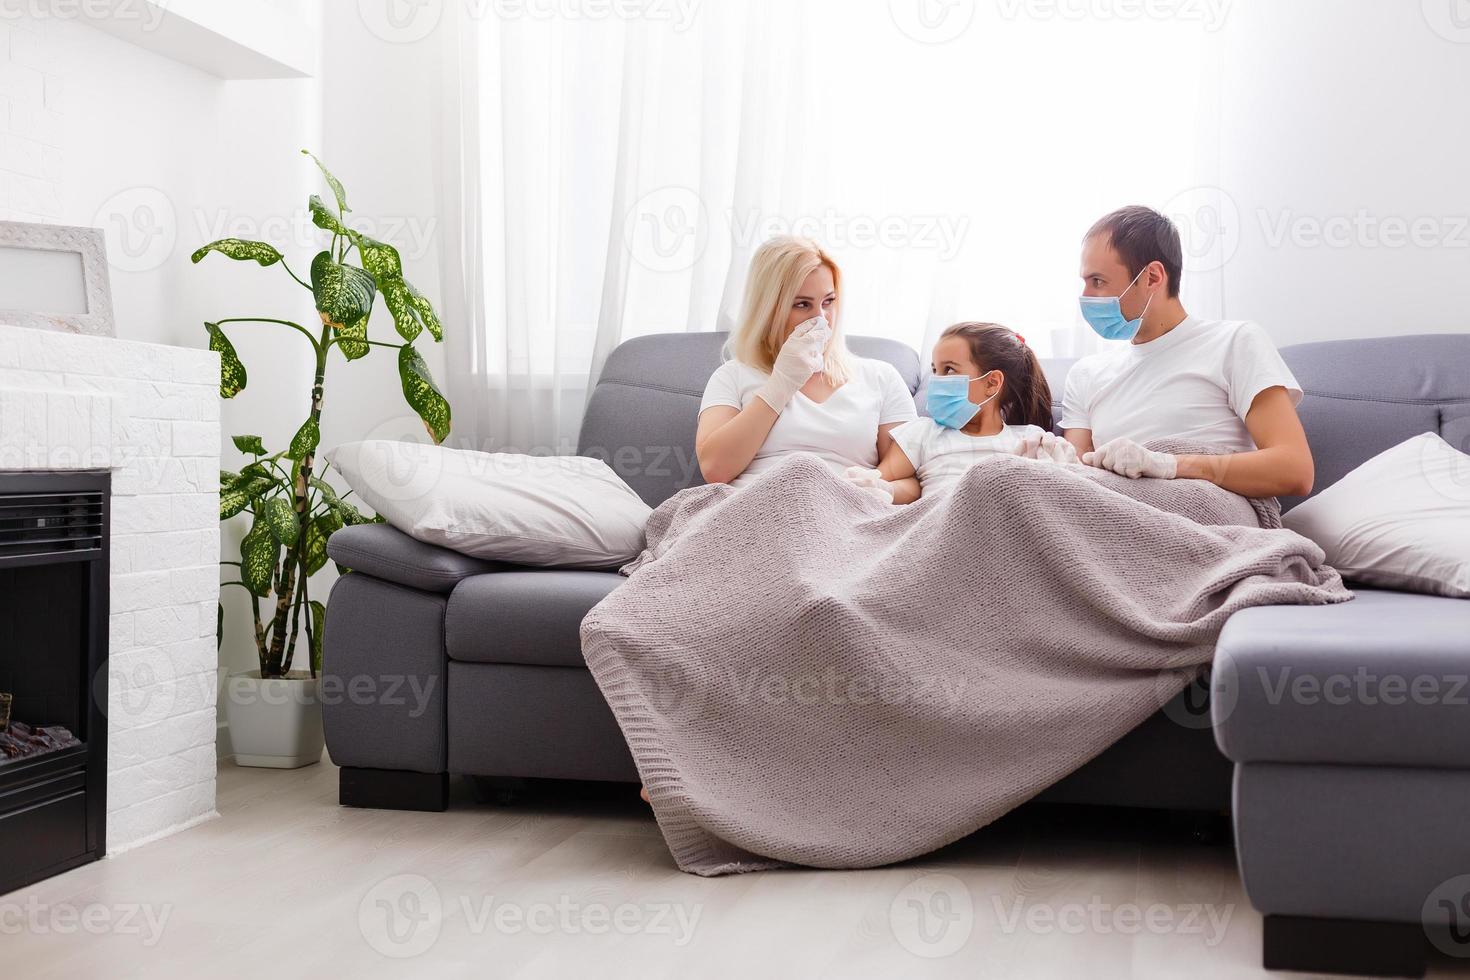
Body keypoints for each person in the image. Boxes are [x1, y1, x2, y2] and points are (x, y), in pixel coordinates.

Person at [1063, 206, 1314, 499]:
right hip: (1113, 516)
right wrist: (1047, 459)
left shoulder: (1233, 342)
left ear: (1153, 277)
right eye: (1084, 282)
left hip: (1205, 511)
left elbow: (1295, 470)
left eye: (1098, 282)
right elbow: (1075, 484)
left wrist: (1168, 464)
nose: (1086, 297)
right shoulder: (1086, 375)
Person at [695, 236, 920, 500]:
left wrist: (881, 490)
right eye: (802, 304)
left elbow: (910, 480)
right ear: (768, 310)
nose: (820, 318)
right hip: (756, 510)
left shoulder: (881, 378)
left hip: (845, 517)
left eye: (828, 302)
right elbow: (715, 470)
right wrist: (782, 383)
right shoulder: (733, 375)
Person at [843, 322, 1075, 501]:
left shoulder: (1030, 439)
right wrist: (879, 488)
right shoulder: (922, 433)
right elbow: (884, 478)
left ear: (992, 383)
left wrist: (1061, 462)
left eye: (949, 370)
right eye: (935, 370)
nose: (937, 381)